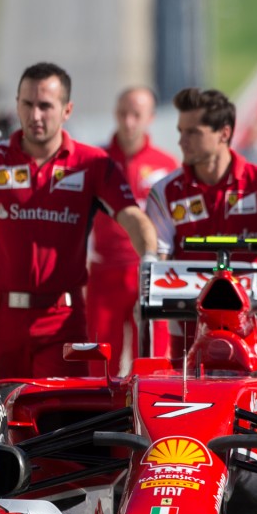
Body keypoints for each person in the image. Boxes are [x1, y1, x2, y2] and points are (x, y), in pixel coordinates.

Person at [0, 62, 158, 379]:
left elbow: (132, 216)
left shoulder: (92, 163)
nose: (35, 116)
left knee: (60, 421)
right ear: (17, 105)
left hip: (62, 319)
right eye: (28, 104)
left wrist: (148, 257)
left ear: (66, 110)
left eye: (45, 106)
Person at [146, 87, 257, 355]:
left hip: (253, 329)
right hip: (188, 331)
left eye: (193, 132)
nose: (182, 141)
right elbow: (157, 262)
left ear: (224, 133)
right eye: (180, 131)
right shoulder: (165, 192)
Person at [87, 87, 177, 375]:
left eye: (136, 114)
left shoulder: (166, 166)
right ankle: (101, 421)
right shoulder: (96, 161)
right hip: (104, 276)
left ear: (150, 117)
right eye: (123, 113)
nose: (128, 122)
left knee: (151, 367)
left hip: (149, 275)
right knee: (100, 368)